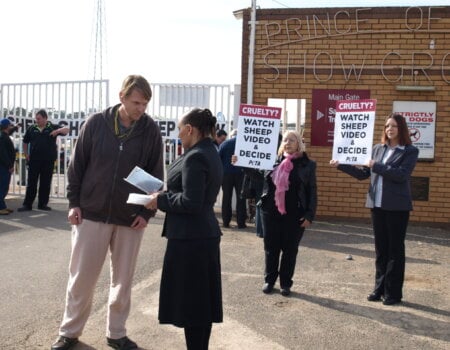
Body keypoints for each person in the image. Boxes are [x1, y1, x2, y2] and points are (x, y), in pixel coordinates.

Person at [51, 75, 164, 350]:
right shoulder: (96, 123)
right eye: (137, 102)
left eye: (145, 103)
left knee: (123, 281)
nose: (141, 108)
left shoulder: (150, 130)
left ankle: (116, 333)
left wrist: (146, 214)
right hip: (91, 213)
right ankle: (69, 332)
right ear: (122, 96)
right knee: (81, 278)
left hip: (130, 219)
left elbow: (155, 175)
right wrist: (74, 203)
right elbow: (77, 166)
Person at [145, 108, 223, 350]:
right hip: (201, 236)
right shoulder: (209, 151)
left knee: (193, 306)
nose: (178, 135)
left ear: (190, 129)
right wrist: (164, 194)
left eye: (180, 130)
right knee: (200, 305)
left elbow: (191, 202)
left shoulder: (196, 156)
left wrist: (161, 200)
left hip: (191, 239)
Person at [330, 113, 418, 306]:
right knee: (381, 250)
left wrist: (375, 166)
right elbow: (364, 174)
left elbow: (401, 175)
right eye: (387, 126)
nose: (389, 129)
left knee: (395, 250)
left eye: (394, 126)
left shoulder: (410, 151)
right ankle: (378, 289)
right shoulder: (378, 149)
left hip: (397, 207)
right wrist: (341, 165)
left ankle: (393, 293)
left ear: (401, 129)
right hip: (376, 205)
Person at [260, 130, 317, 296]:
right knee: (271, 248)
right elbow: (257, 177)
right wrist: (239, 161)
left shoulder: (308, 164)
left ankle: (286, 283)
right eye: (285, 139)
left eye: (292, 140)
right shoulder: (271, 161)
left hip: (295, 214)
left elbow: (312, 191)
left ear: (299, 143)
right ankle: (269, 280)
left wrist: (309, 214)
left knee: (290, 250)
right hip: (271, 212)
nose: (288, 142)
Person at [17, 109, 69, 211]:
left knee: (45, 183)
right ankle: (27, 205)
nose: (37, 121)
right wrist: (26, 154)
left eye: (39, 119)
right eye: (36, 119)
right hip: (34, 160)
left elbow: (67, 129)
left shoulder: (52, 127)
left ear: (45, 118)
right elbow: (25, 142)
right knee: (31, 183)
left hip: (48, 161)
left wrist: (57, 131)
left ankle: (42, 204)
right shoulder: (32, 128)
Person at [218, 129, 247, 228]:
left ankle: (226, 222)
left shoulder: (224, 144)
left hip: (226, 174)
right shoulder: (244, 144)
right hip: (241, 174)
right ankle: (241, 222)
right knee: (241, 198)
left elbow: (218, 158)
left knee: (226, 197)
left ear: (231, 135)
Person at [0, 118, 16, 215]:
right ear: (6, 127)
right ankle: (1, 208)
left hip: (5, 166)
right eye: (10, 125)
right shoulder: (2, 137)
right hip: (4, 167)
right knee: (2, 187)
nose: (11, 127)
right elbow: (3, 154)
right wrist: (9, 165)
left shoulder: (4, 136)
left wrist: (16, 127)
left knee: (4, 187)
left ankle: (3, 206)